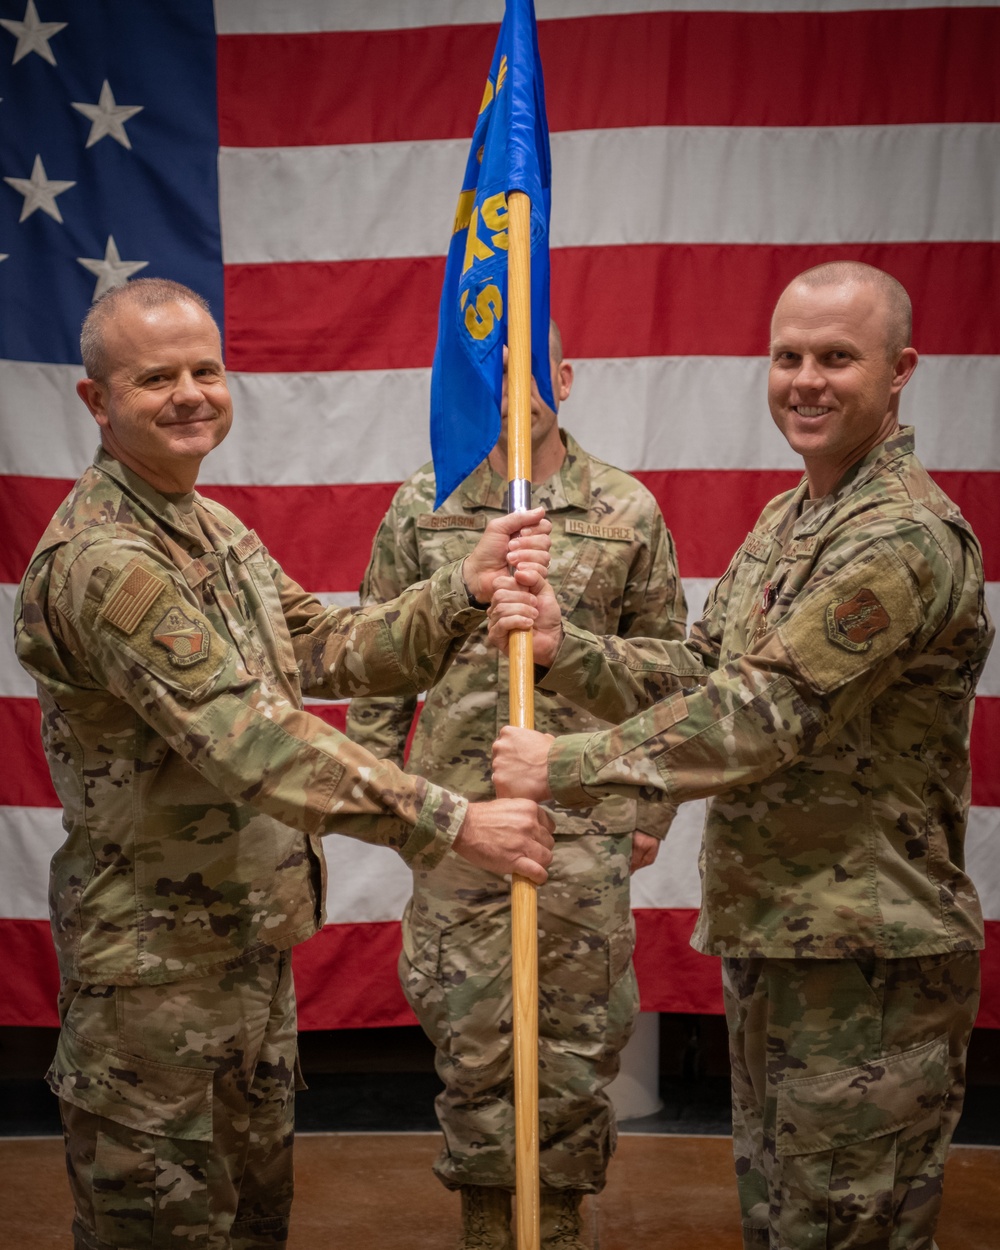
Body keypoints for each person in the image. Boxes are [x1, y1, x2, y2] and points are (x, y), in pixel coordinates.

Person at [13, 278, 557, 1250]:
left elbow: (324, 645)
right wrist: (452, 819)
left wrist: (461, 590)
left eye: (205, 369)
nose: (190, 393)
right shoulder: (107, 560)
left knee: (255, 1224)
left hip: (247, 957)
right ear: (97, 402)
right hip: (154, 984)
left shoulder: (211, 531)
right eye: (155, 378)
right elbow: (254, 740)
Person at [489, 263, 994, 1250]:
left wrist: (565, 763)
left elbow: (759, 713)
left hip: (867, 957)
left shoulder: (897, 540)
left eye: (837, 358)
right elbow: (702, 670)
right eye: (788, 356)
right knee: (782, 1220)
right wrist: (566, 643)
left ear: (900, 370)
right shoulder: (789, 519)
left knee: (848, 1228)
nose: (805, 380)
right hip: (783, 934)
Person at [345, 321, 687, 1250]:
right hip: (458, 828)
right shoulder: (426, 503)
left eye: (528, 363)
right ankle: (489, 1232)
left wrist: (649, 805)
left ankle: (560, 1230)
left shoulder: (627, 511)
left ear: (565, 377)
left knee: (575, 1052)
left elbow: (672, 676)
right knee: (473, 1048)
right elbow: (375, 669)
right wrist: (395, 811)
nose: (508, 384)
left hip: (578, 828)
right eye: (488, 367)